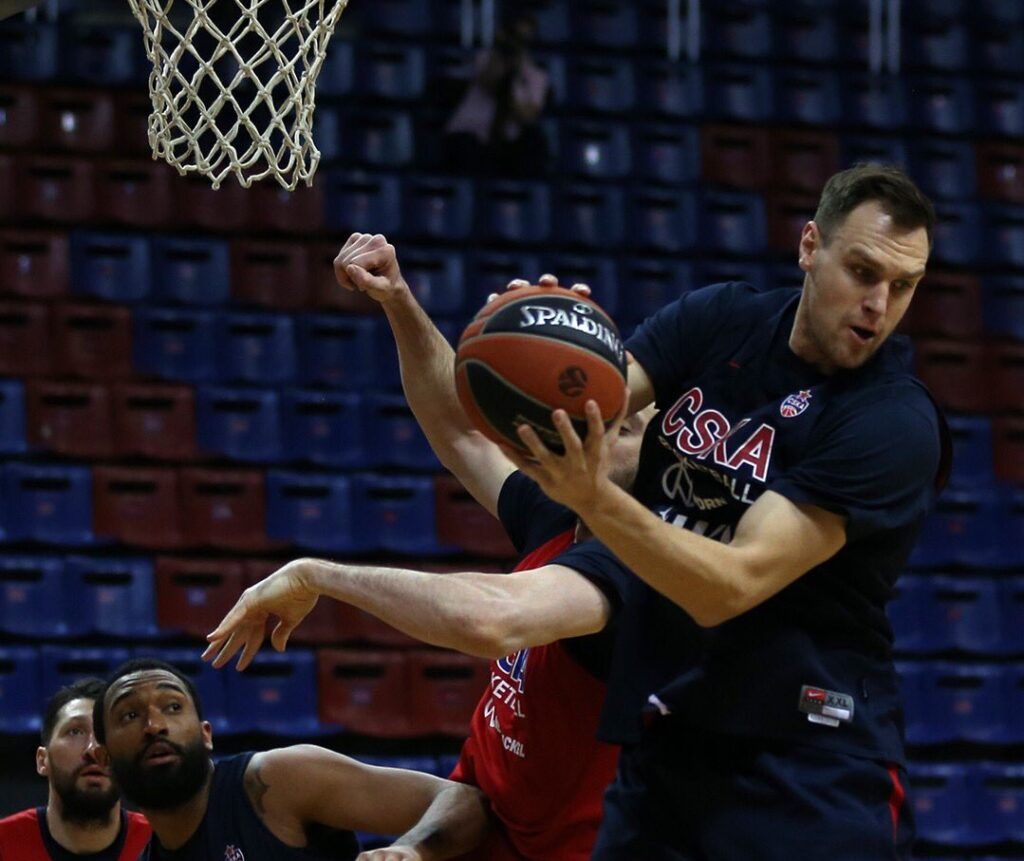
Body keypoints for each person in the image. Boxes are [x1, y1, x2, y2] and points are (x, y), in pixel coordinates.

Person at [493, 163, 950, 859]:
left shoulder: (892, 422)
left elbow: (728, 587)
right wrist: (537, 346)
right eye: (862, 272)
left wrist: (595, 498)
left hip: (810, 764)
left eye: (904, 286)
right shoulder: (722, 320)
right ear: (809, 247)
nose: (878, 304)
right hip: (668, 737)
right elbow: (592, 405)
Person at [202, 234, 656, 861]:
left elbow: (489, 618)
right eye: (595, 410)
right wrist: (400, 302)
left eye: (626, 424)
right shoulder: (557, 517)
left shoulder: (639, 563)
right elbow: (461, 431)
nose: (601, 426)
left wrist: (318, 576)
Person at [91, 659, 488, 861]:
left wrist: (411, 850)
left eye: (173, 706)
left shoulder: (275, 782)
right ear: (105, 759)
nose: (155, 725)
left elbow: (463, 801)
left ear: (206, 734)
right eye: (129, 715)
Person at [0, 678, 151, 861]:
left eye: (105, 733)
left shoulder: (161, 844)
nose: (93, 749)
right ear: (42, 760)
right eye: (75, 732)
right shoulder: (5, 844)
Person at [443, 13, 550, 177]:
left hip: (506, 142)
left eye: (522, 39)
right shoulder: (485, 59)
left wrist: (518, 73)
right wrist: (502, 58)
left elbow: (528, 115)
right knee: (465, 149)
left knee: (532, 144)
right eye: (514, 36)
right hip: (471, 134)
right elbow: (489, 82)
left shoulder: (536, 76)